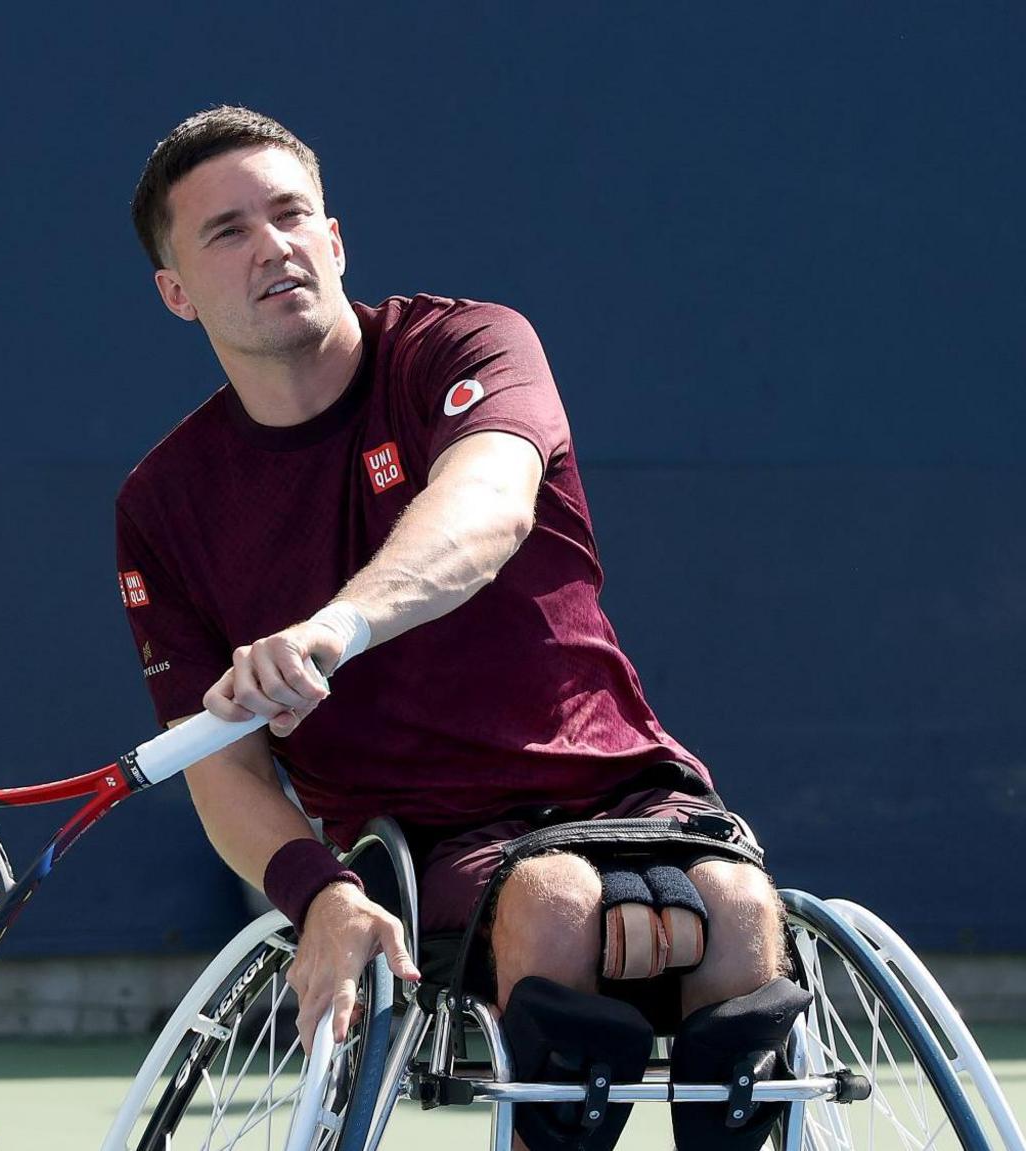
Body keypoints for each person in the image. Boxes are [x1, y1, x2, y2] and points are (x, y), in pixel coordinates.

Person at [117, 107, 796, 1151]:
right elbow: (225, 771)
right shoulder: (165, 504)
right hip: (422, 835)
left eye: (291, 214)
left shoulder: (467, 344)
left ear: (334, 239)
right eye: (226, 232)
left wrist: (334, 626)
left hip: (625, 782)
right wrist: (319, 894)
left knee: (736, 915)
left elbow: (484, 508)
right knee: (559, 905)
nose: (273, 246)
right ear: (173, 292)